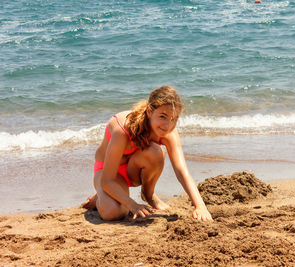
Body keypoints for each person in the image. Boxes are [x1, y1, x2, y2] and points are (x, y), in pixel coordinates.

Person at [82, 86, 213, 222]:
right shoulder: (123, 130)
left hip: (133, 170)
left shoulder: (169, 133)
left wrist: (200, 206)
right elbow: (107, 180)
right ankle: (101, 196)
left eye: (174, 119)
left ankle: (148, 196)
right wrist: (133, 205)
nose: (167, 125)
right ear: (150, 111)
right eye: (163, 116)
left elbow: (181, 171)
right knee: (111, 212)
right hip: (107, 174)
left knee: (156, 152)